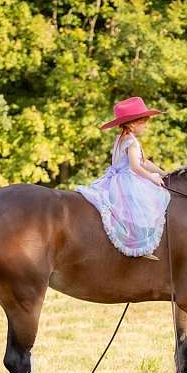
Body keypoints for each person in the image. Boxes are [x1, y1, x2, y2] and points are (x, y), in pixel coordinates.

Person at [75, 96, 171, 261]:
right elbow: (135, 166)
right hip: (127, 180)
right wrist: (152, 178)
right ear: (133, 124)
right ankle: (139, 244)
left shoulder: (121, 138)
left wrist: (163, 173)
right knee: (140, 210)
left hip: (116, 178)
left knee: (131, 210)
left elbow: (144, 161)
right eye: (144, 123)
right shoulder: (131, 142)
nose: (146, 127)